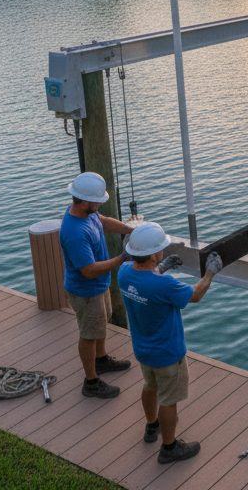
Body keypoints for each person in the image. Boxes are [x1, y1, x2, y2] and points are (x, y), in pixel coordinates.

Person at [118, 222, 224, 465]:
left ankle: (151, 426)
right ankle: (169, 448)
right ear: (154, 254)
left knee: (149, 386)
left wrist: (161, 268)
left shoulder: (123, 272)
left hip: (142, 350)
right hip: (167, 353)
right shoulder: (163, 285)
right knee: (168, 400)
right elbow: (195, 294)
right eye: (160, 250)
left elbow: (144, 278)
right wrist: (210, 272)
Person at [61, 171, 135, 398]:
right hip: (86, 291)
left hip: (98, 287)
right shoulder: (74, 232)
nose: (100, 204)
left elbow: (102, 222)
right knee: (89, 334)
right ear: (84, 201)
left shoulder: (88, 213)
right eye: (98, 200)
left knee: (102, 322)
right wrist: (123, 257)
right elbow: (89, 271)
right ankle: (91, 382)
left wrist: (130, 229)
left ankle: (101, 360)